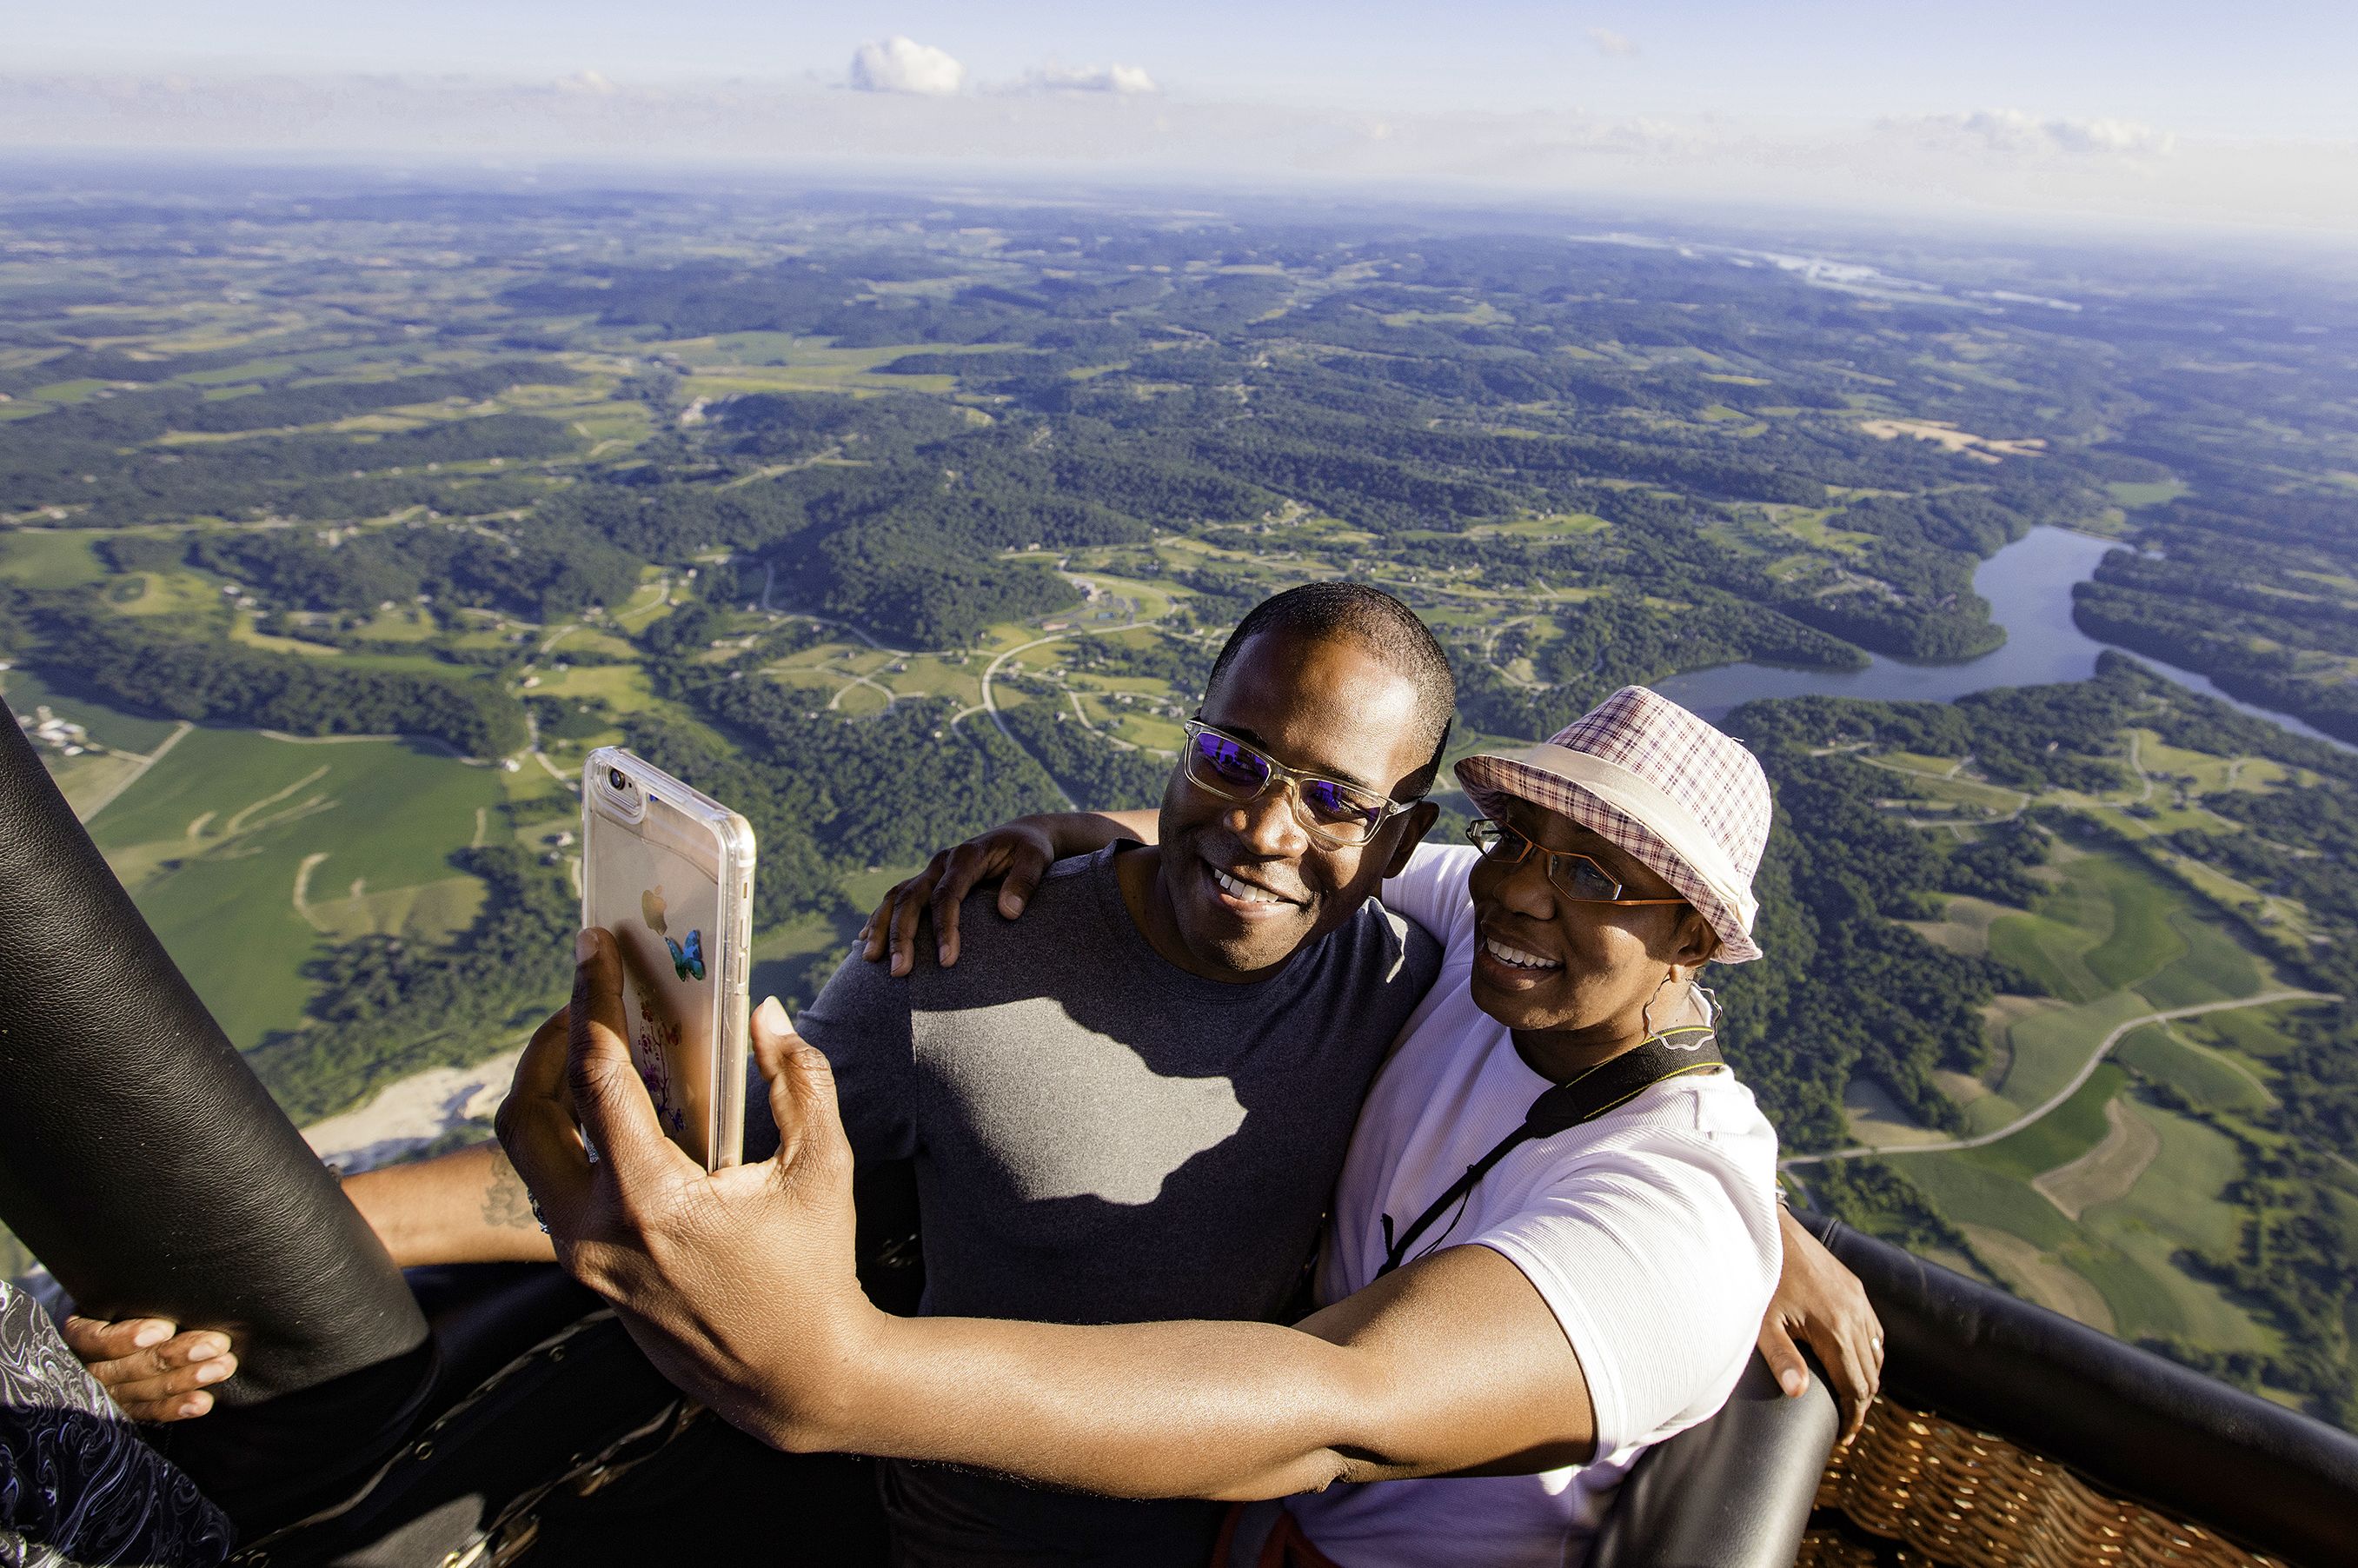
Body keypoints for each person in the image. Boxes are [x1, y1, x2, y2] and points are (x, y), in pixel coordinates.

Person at [499, 681, 1870, 1567]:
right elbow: (1291, 841)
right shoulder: (1488, 946)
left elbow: (1344, 1410)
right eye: (1518, 840)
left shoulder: (1676, 1226)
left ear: (1692, 934)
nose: (1523, 890)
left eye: (1591, 874)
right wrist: (1061, 831)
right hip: (1234, 1534)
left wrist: (843, 1372)